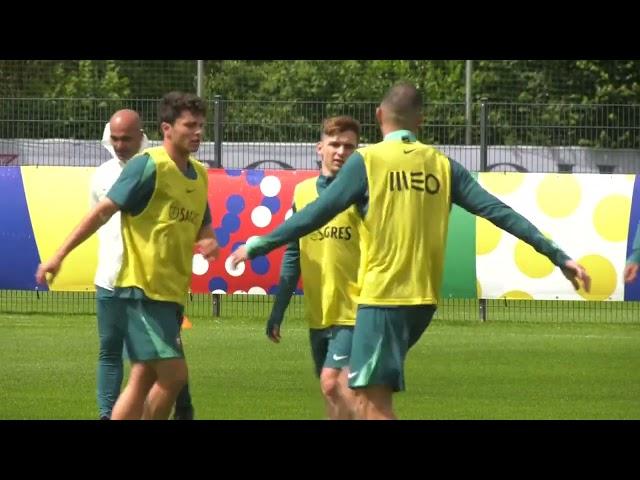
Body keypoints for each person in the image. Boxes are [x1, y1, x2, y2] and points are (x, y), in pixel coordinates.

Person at [231, 82, 591, 420]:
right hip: (422, 302)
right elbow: (500, 212)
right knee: (353, 394)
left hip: (382, 299)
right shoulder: (442, 165)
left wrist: (258, 244)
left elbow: (314, 215)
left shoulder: (369, 161)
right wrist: (558, 255)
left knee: (371, 404)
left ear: (378, 116)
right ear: (420, 120)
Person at [37, 92, 218, 420]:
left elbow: (203, 223)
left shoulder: (199, 174)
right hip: (140, 292)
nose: (198, 133)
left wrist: (209, 241)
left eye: (201, 126)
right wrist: (58, 255)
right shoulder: (148, 166)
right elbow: (102, 212)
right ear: (166, 128)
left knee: (142, 378)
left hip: (171, 294)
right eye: (190, 125)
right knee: (173, 376)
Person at [91, 110, 195, 420]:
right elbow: (97, 220)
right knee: (112, 353)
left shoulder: (158, 167)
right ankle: (106, 415)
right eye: (116, 139)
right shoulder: (101, 175)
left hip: (149, 284)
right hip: (110, 278)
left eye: (127, 139)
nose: (120, 145)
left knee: (161, 359)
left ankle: (184, 410)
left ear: (142, 137)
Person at [268, 116, 361, 419]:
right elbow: (293, 253)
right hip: (319, 312)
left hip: (356, 310)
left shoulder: (363, 195)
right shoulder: (303, 193)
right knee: (334, 393)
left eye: (349, 146)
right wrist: (278, 309)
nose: (341, 151)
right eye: (334, 144)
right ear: (319, 148)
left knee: (334, 384)